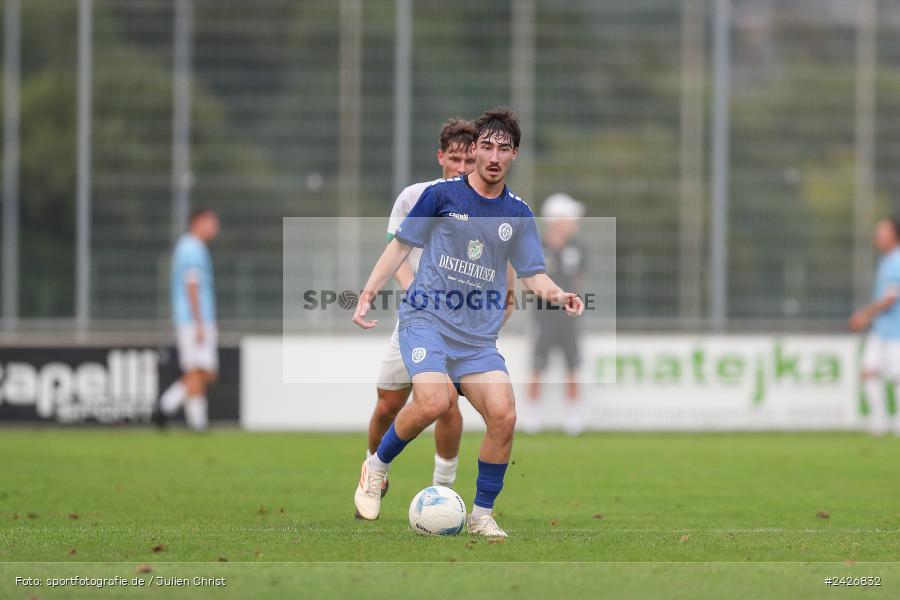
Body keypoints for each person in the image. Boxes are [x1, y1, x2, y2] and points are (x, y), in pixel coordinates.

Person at [351, 107, 584, 538]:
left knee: (504, 415)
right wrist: (367, 293)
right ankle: (376, 467)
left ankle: (480, 516)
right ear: (475, 150)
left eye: (505, 148)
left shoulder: (518, 213)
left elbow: (532, 273)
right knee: (435, 402)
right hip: (427, 321)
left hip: (476, 340)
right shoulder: (441, 196)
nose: (494, 156)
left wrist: (559, 295)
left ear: (514, 154)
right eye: (488, 146)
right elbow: (400, 247)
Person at [365, 119, 476, 506]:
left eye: (469, 160)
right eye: (455, 158)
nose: (462, 168)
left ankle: (443, 490)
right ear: (440, 156)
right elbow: (396, 253)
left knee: (446, 402)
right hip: (413, 317)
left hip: (454, 325)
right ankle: (372, 470)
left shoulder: (483, 204)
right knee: (387, 405)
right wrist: (416, 290)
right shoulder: (413, 196)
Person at [524, 193, 587, 436]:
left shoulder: (578, 248)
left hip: (568, 319)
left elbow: (580, 279)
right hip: (543, 317)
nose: (575, 222)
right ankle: (532, 415)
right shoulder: (538, 247)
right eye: (570, 217)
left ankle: (574, 416)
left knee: (573, 364)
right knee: (537, 365)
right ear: (556, 220)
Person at [154, 207, 220, 431]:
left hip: (191, 319)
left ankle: (197, 422)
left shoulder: (189, 246)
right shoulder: (192, 248)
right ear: (198, 222)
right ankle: (165, 406)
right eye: (211, 222)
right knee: (202, 371)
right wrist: (200, 322)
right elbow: (192, 286)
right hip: (194, 320)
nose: (215, 228)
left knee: (199, 372)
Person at [850, 218, 900, 436]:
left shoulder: (897, 261)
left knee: (897, 377)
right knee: (869, 371)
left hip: (897, 331)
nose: (877, 236)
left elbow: (891, 298)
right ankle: (879, 422)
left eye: (882, 231)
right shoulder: (886, 260)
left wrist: (865, 314)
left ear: (894, 234)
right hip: (881, 330)